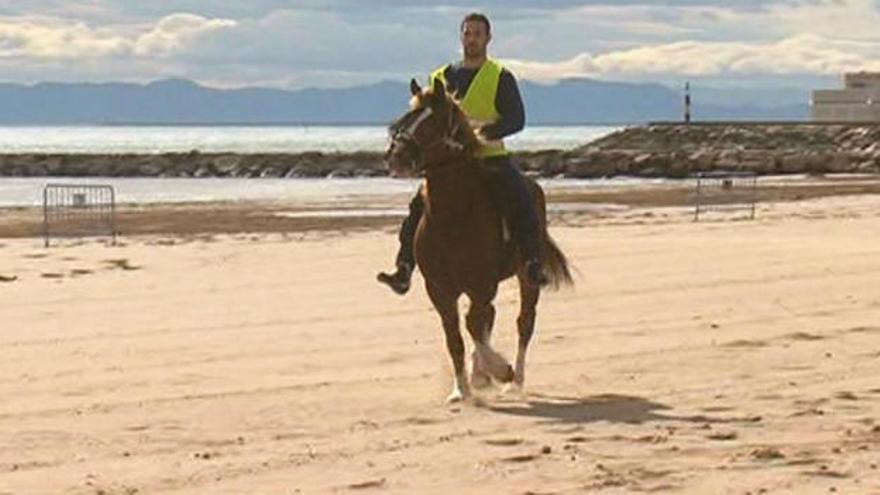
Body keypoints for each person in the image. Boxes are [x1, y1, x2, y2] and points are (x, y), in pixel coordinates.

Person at [377, 12, 546, 294]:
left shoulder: (500, 77)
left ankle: (531, 262)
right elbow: (427, 119)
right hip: (448, 164)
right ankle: (404, 268)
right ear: (461, 36)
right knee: (416, 209)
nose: (471, 39)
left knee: (522, 198)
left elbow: (516, 119)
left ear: (488, 39)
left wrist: (484, 134)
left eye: (477, 34)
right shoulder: (440, 77)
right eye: (467, 33)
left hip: (490, 158)